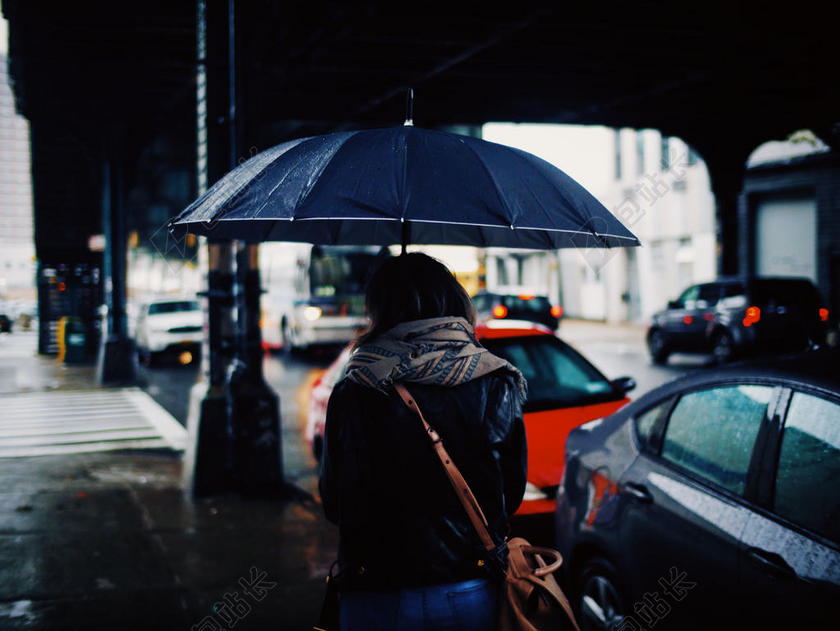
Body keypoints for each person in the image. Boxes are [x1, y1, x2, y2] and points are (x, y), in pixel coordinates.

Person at [319, 252, 528, 631]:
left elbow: (335, 501)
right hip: (467, 587)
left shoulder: (354, 389)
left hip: (374, 592)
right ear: (455, 302)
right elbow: (509, 495)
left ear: (380, 309)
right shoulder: (496, 381)